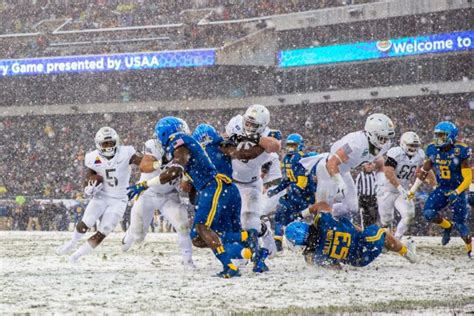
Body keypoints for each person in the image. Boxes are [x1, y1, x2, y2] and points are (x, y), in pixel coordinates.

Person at [127, 117, 268, 278]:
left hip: (214, 187)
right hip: (220, 188)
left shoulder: (179, 141)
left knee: (202, 228)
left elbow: (176, 171)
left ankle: (232, 264)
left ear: (166, 133)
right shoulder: (196, 144)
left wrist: (144, 184)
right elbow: (242, 154)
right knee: (199, 236)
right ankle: (250, 249)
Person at [56, 127, 142, 263]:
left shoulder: (126, 153)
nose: (108, 146)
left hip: (119, 199)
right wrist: (89, 188)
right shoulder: (92, 158)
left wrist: (153, 163)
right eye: (105, 143)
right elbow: (87, 181)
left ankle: (75, 256)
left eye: (111, 142)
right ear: (98, 144)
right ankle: (72, 243)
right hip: (101, 197)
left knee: (104, 230)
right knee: (85, 223)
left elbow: (142, 163)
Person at [192, 123, 276, 261]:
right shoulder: (217, 146)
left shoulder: (220, 146)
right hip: (229, 189)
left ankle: (255, 245)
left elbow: (246, 154)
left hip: (235, 187)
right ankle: (248, 251)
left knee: (203, 233)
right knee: (229, 228)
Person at [300, 113, 395, 218]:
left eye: (387, 138)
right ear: (371, 133)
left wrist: (380, 179)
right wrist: (339, 182)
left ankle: (330, 218)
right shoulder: (356, 143)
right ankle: (302, 215)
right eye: (382, 138)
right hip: (327, 170)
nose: (385, 141)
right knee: (323, 209)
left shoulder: (383, 144)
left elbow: (379, 161)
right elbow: (331, 163)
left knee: (352, 207)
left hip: (343, 170)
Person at [121, 136, 194, 268]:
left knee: (183, 226)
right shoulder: (153, 144)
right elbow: (144, 166)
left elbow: (184, 188)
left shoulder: (185, 150)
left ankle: (187, 260)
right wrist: (161, 163)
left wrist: (185, 177)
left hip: (169, 195)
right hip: (147, 193)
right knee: (139, 237)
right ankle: (131, 232)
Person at [286, 202, 417, 268]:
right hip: (363, 245)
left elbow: (335, 267)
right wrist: (301, 214)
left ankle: (382, 247)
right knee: (382, 232)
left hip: (355, 261)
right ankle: (407, 253)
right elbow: (322, 204)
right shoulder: (323, 220)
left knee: (348, 223)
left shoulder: (314, 255)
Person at [408, 122, 472, 257]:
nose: (438, 139)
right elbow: (424, 171)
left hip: (457, 188)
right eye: (437, 135)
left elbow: (468, 178)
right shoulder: (433, 149)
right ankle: (447, 226)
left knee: (461, 226)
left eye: (442, 135)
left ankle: (470, 250)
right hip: (442, 188)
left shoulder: (460, 150)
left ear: (451, 136)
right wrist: (413, 189)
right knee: (428, 213)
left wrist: (457, 192)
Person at [225, 104, 282, 255]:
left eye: (253, 125)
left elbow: (274, 146)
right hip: (232, 181)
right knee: (231, 220)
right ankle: (241, 252)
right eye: (247, 123)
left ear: (262, 126)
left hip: (251, 184)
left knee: (249, 220)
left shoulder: (269, 135)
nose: (248, 126)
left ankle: (264, 235)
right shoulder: (236, 122)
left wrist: (252, 136)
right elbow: (225, 138)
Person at [378, 132, 434, 239]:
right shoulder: (395, 153)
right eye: (411, 145)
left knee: (409, 215)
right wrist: (399, 187)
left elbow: (426, 170)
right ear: (403, 144)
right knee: (386, 220)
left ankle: (397, 238)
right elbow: (388, 172)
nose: (413, 148)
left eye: (415, 146)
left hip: (403, 189)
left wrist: (434, 184)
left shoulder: (420, 155)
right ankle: (387, 241)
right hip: (386, 189)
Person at [267, 133, 316, 251]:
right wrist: (276, 190)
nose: (290, 148)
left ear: (299, 145)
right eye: (289, 145)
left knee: (295, 219)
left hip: (304, 195)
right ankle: (279, 242)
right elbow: (288, 179)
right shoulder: (287, 158)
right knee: (281, 216)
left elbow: (302, 183)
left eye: (293, 145)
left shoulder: (301, 158)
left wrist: (292, 194)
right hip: (296, 194)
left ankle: (304, 242)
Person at [356, 163, 378, 228]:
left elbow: (377, 185)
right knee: (364, 216)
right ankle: (365, 230)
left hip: (373, 197)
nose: (369, 166)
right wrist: (357, 198)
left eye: (370, 165)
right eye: (367, 165)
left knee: (373, 216)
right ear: (364, 166)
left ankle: (372, 229)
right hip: (363, 198)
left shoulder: (374, 174)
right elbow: (357, 187)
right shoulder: (360, 175)